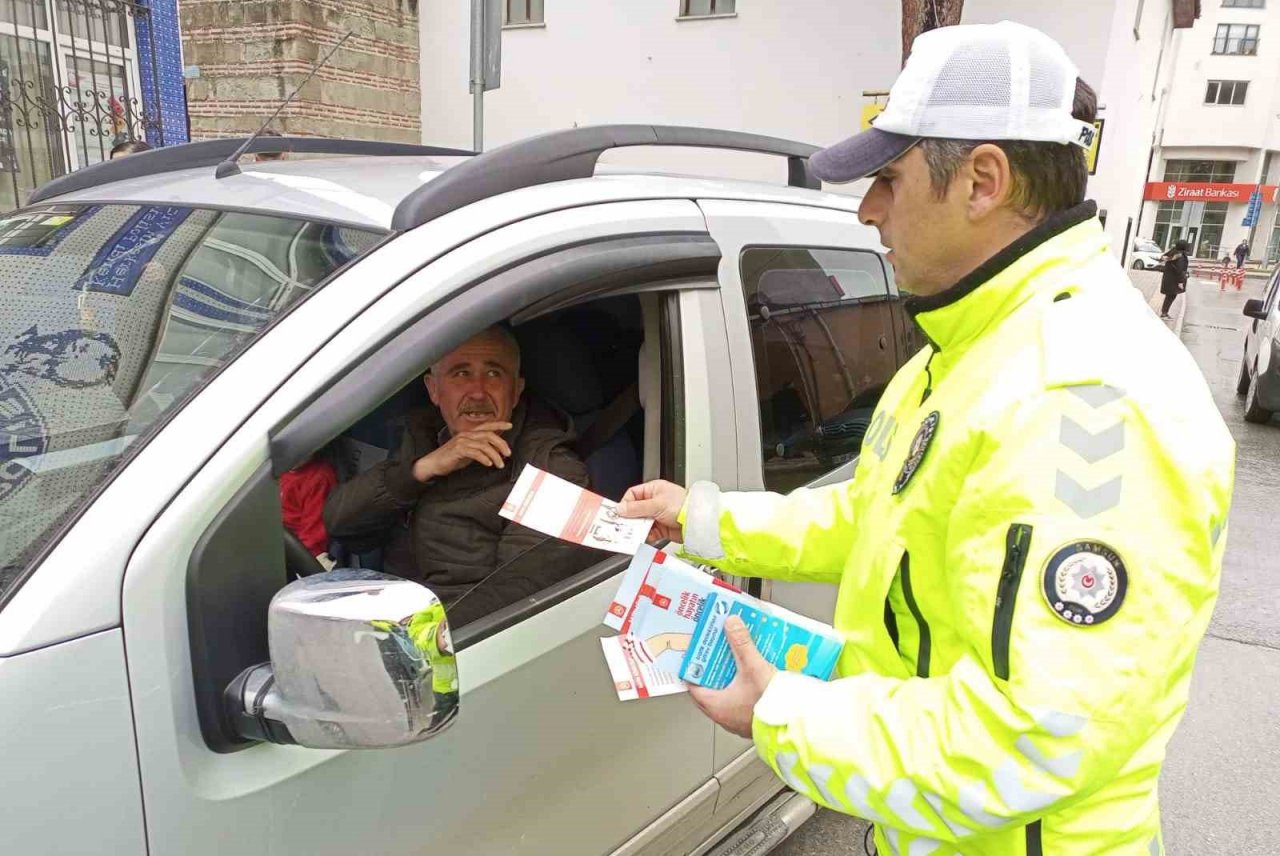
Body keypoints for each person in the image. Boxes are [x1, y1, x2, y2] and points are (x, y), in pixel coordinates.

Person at [619, 22, 1233, 856]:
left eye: (889, 178)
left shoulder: (1086, 397)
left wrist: (786, 714)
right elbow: (875, 518)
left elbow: (1036, 736)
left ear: (983, 180)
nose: (868, 209)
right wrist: (704, 519)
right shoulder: (965, 355)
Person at [324, 325, 596, 626]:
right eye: (461, 373)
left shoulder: (552, 469)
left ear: (516, 391)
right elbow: (341, 523)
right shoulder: (425, 435)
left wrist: (410, 637)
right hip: (394, 608)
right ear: (433, 390)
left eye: (494, 374)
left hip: (455, 644)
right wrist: (420, 470)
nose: (478, 391)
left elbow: (517, 602)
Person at [1158, 239, 1189, 319]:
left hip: (1168, 278)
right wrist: (1181, 282)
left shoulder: (1173, 252)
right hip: (1174, 280)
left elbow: (1162, 258)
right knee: (1171, 296)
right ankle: (1164, 313)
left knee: (1169, 296)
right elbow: (1180, 269)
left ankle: (1164, 312)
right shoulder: (1181, 256)